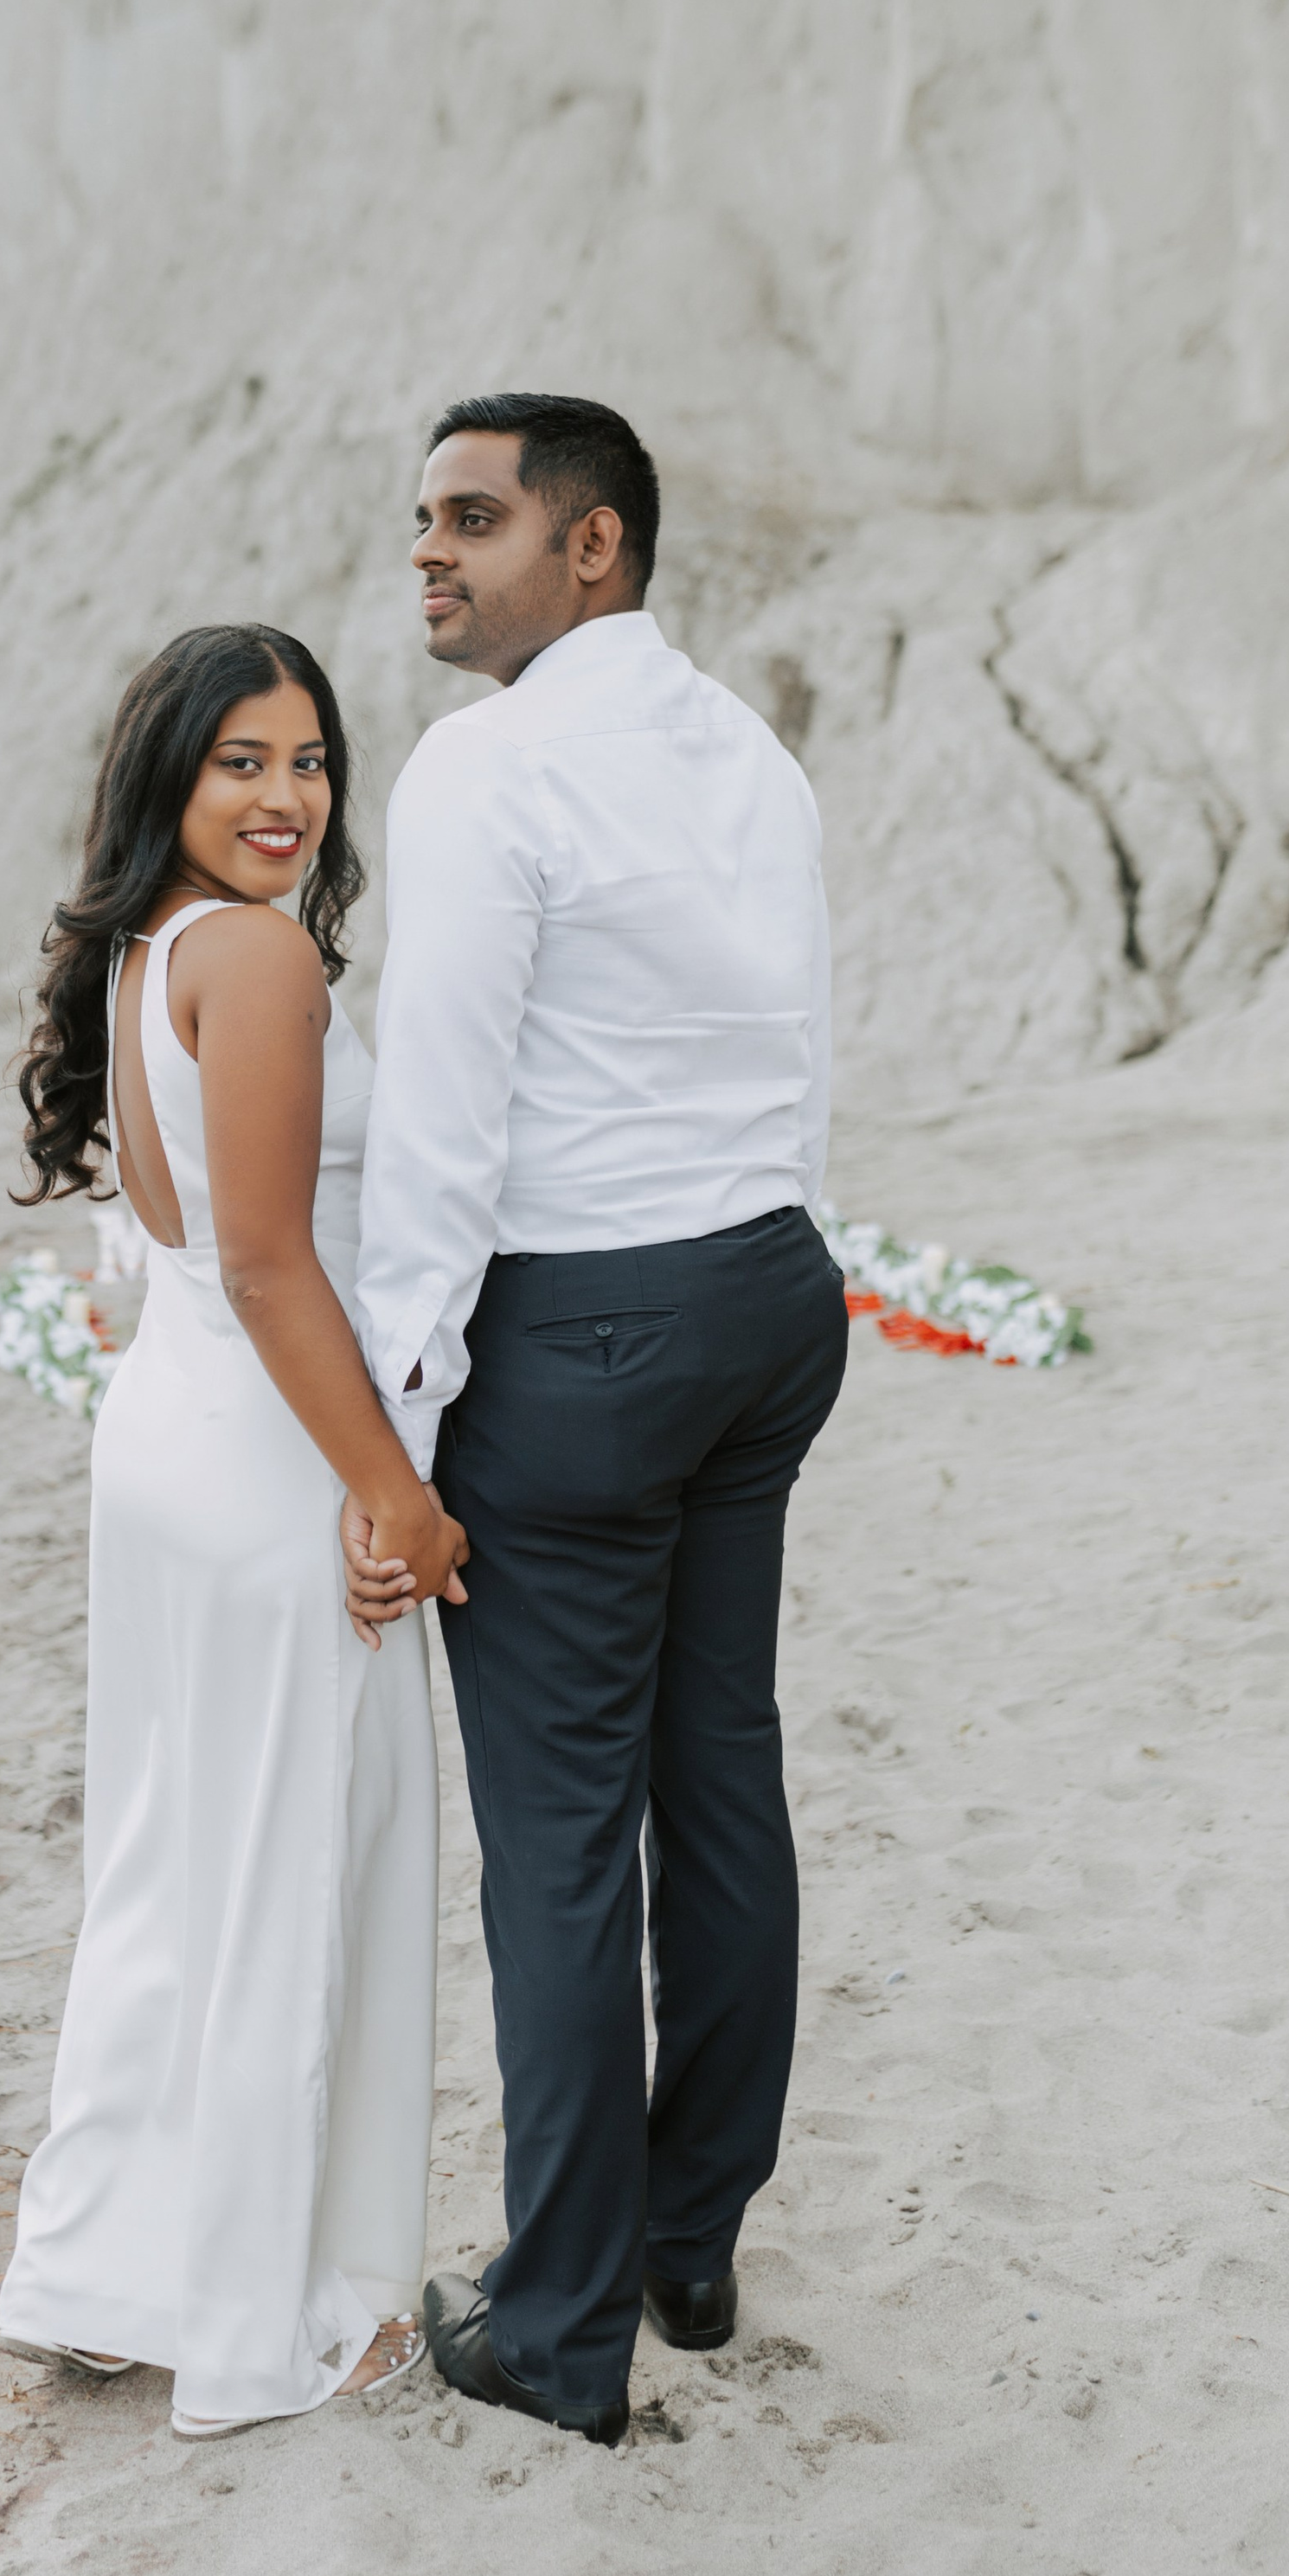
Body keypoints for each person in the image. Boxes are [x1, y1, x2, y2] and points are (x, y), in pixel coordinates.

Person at [347, 395, 848, 2448]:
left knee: (558, 1845)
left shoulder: (487, 765)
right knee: (716, 1769)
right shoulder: (744, 747)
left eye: (474, 517)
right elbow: (794, 1038)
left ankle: (558, 2332)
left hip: (587, 1334)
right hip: (762, 1288)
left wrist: (390, 1428)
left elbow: (446, 1132)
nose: (430, 555)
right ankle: (682, 2242)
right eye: (420, 523)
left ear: (596, 547)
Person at [0, 624, 463, 2440]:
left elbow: (197, 1256)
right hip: (268, 1451)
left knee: (172, 1868)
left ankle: (98, 2268)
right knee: (284, 1880)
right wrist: (392, 1494)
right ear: (169, 781)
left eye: (309, 761)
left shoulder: (141, 949)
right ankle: (275, 2323)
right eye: (240, 763)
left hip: (168, 1441)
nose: (285, 798)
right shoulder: (257, 959)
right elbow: (273, 1265)